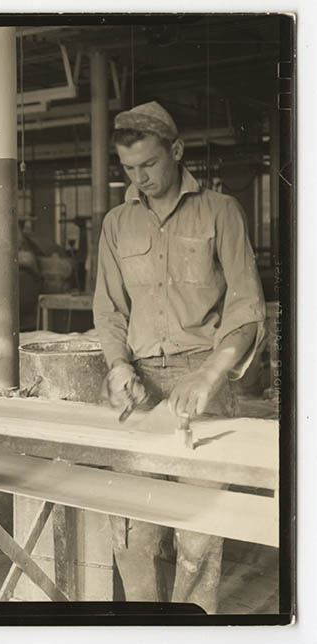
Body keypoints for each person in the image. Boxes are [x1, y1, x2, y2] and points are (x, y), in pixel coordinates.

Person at [92, 101, 266, 613]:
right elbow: (109, 309)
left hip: (207, 383)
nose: (140, 177)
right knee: (131, 532)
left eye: (149, 164)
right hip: (141, 389)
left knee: (198, 537)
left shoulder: (221, 211)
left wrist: (211, 374)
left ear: (177, 150)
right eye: (128, 169)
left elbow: (247, 307)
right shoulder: (116, 225)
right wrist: (119, 366)